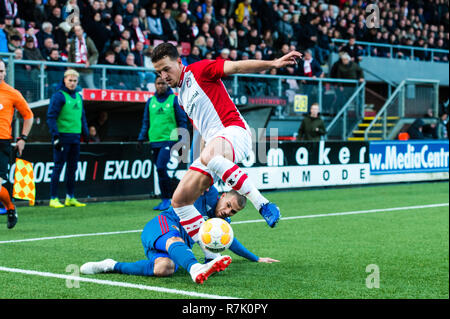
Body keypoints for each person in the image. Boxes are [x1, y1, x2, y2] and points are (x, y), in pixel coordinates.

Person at [150, 42, 301, 244]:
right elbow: (203, 132)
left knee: (209, 156)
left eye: (166, 69)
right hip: (215, 146)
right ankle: (210, 254)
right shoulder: (181, 99)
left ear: (178, 62)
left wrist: (273, 62)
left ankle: (264, 204)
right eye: (159, 72)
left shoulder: (199, 70)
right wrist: (203, 167)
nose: (164, 76)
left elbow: (237, 67)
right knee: (179, 200)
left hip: (235, 132)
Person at [80, 186, 279, 284]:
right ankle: (195, 267)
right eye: (228, 205)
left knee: (165, 269)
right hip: (163, 225)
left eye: (233, 212)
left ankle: (110, 265)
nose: (228, 212)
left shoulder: (220, 223)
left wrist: (256, 258)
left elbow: (230, 242)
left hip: (174, 247)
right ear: (223, 196)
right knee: (175, 239)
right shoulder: (208, 193)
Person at [137, 75, 188, 211]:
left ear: (167, 84)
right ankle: (165, 199)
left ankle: (169, 198)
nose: (161, 86)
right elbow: (146, 122)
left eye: (163, 83)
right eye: (158, 83)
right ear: (154, 85)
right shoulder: (150, 101)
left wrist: (183, 140)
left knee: (160, 167)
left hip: (169, 140)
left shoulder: (174, 100)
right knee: (160, 171)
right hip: (155, 140)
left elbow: (181, 120)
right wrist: (141, 138)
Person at [46, 69, 89, 208]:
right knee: (58, 167)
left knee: (72, 168)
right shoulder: (59, 96)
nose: (72, 83)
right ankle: (53, 198)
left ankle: (70, 197)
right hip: (63, 137)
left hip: (75, 137)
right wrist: (56, 136)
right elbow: (51, 117)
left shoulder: (78, 97)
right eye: (70, 80)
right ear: (64, 80)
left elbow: (82, 117)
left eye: (75, 81)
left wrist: (86, 133)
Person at [0, 59, 34, 229]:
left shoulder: (12, 93)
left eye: (1, 71)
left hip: (2, 143)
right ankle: (10, 207)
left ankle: (10, 207)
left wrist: (23, 138)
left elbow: (28, 116)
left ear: (5, 72)